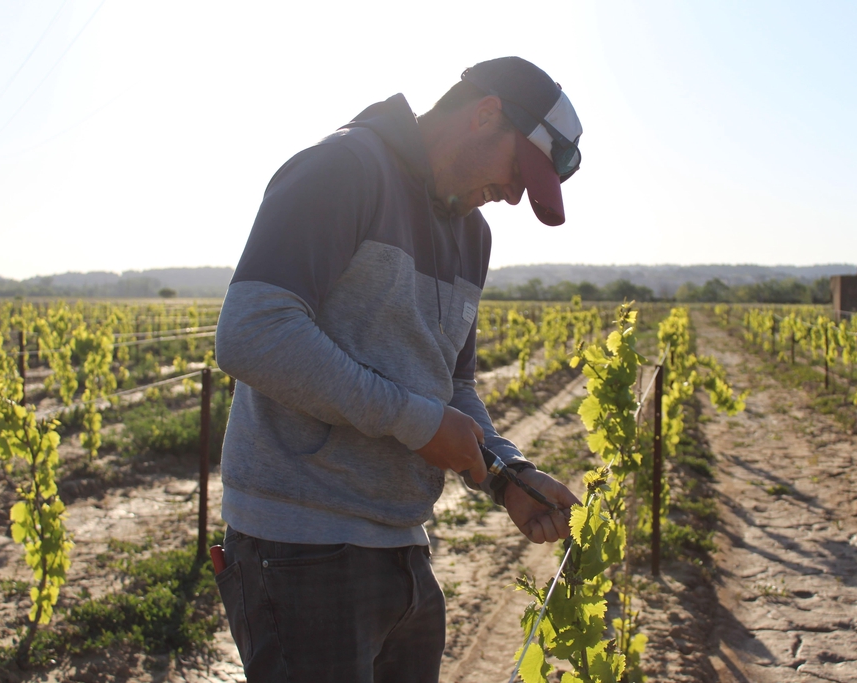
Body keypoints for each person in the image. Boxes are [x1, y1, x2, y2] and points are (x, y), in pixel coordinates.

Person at [213, 56, 584, 683]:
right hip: (301, 549)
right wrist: (416, 424)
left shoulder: (475, 235)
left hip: (403, 546)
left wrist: (505, 473)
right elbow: (254, 332)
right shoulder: (344, 168)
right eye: (518, 171)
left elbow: (452, 387)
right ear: (484, 113)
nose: (515, 196)